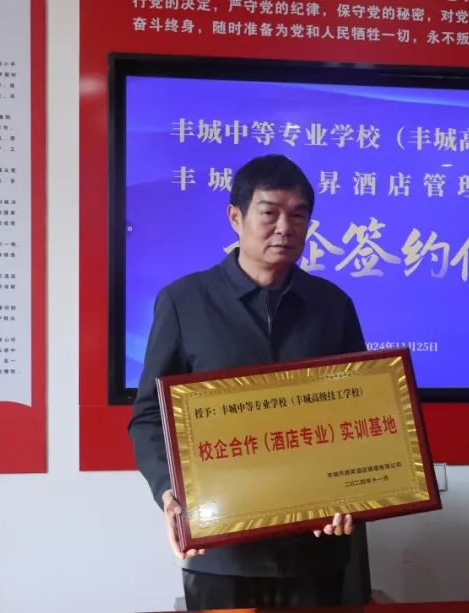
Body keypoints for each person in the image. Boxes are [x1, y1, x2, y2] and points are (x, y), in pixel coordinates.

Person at [128, 154, 370, 610]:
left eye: (298, 215)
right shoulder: (184, 302)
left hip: (317, 546)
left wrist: (356, 490)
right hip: (223, 550)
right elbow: (148, 417)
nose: (285, 228)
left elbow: (361, 410)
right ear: (235, 217)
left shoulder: (333, 305)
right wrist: (169, 491)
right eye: (269, 212)